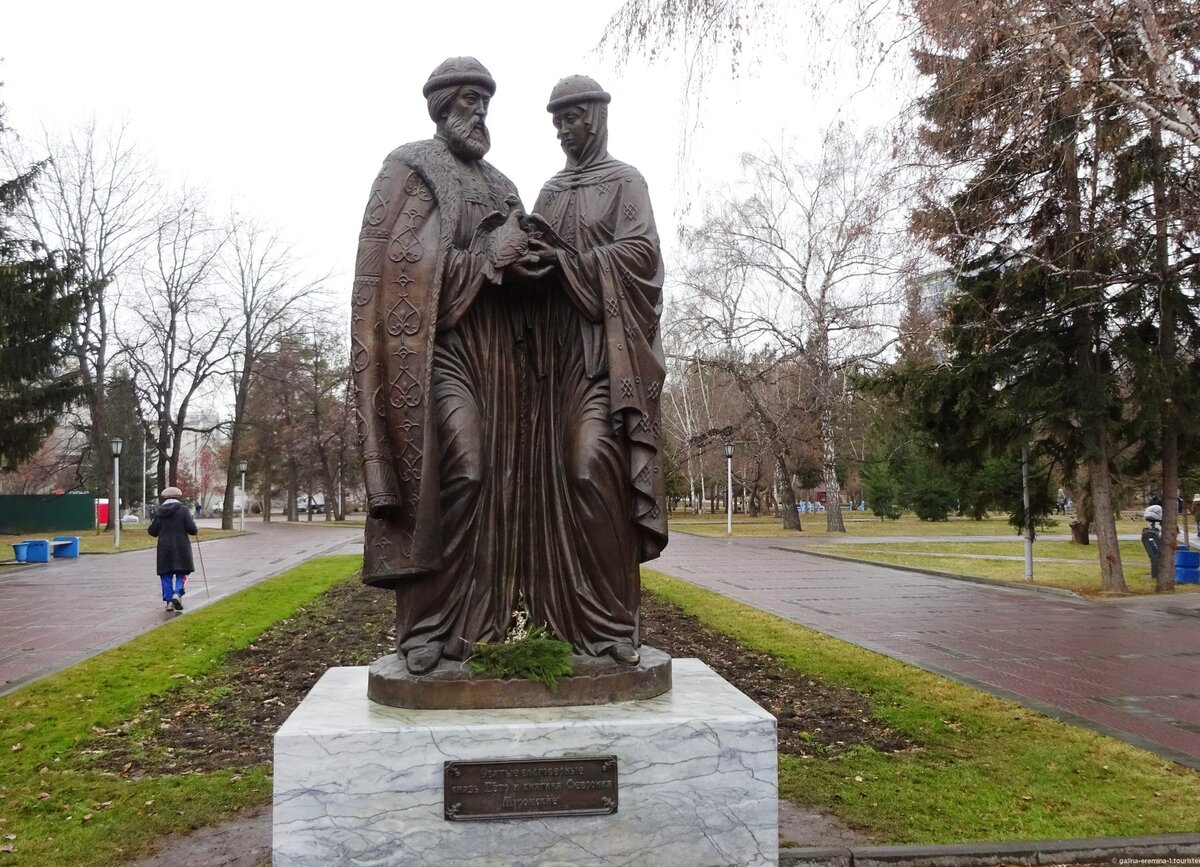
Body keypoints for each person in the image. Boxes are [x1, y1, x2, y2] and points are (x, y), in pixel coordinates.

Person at [350, 57, 532, 675]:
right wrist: (486, 255)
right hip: (436, 355)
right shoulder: (410, 170)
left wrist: (530, 261)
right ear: (440, 107)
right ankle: (424, 626)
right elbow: (398, 277)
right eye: (467, 101)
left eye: (485, 100)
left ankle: (486, 623)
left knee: (502, 482)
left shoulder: (504, 183)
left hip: (502, 357)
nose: (479, 112)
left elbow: (521, 266)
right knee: (464, 469)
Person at [522, 75, 668, 665]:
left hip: (603, 362)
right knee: (548, 487)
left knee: (590, 472)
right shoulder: (550, 191)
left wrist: (570, 263)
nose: (562, 130)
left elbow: (642, 258)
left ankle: (612, 624)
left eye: (571, 118)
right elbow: (530, 255)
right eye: (556, 120)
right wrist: (529, 262)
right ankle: (559, 623)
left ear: (597, 118)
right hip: (549, 364)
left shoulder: (625, 181)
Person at [148, 485, 197, 612]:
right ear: (178, 497)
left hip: (164, 547)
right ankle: (177, 593)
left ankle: (169, 602)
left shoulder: (160, 511)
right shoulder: (183, 510)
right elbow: (192, 530)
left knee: (166, 574)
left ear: (165, 497)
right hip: (181, 546)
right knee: (182, 572)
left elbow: (152, 531)